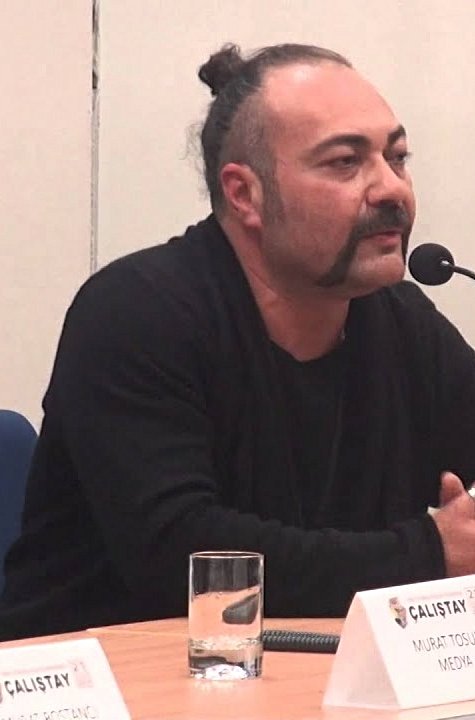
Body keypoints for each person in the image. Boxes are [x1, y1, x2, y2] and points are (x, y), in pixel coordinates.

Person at [2, 42, 475, 642]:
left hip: (314, 674)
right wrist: (432, 552)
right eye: (345, 162)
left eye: (397, 157)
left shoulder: (402, 322)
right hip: (113, 671)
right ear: (245, 194)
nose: (392, 189)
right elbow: (186, 559)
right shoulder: (136, 313)